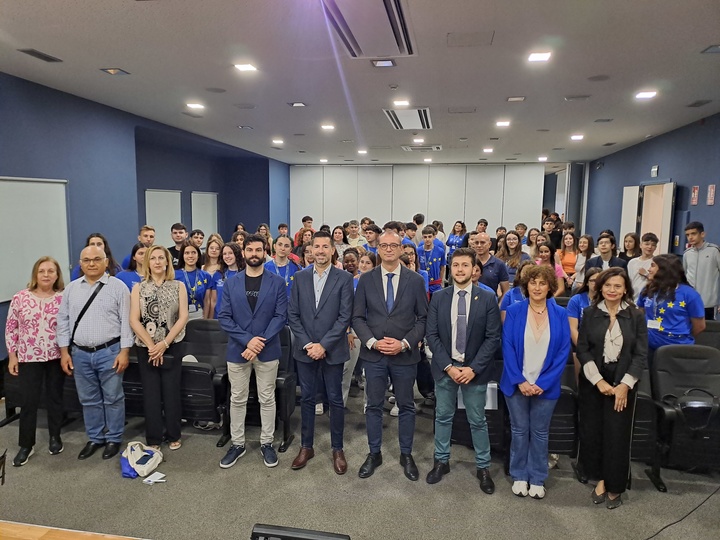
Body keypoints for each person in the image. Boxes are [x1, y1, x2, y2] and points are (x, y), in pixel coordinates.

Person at [352, 231, 428, 481]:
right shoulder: (366, 279)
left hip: (404, 355)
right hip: (374, 355)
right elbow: (358, 317)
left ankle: (406, 453)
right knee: (373, 405)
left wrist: (405, 343)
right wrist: (372, 342)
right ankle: (374, 453)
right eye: (383, 245)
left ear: (401, 249)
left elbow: (423, 318)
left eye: (392, 245)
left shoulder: (415, 280)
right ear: (378, 250)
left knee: (406, 405)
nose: (387, 249)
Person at [425, 248, 502, 492]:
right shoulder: (439, 297)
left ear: (474, 269)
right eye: (455, 265)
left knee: (477, 420)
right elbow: (432, 334)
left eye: (465, 266)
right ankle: (441, 461)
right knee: (443, 417)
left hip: (475, 371)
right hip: (445, 369)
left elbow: (492, 338)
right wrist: (448, 366)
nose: (460, 270)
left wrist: (473, 368)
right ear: (451, 268)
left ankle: (483, 466)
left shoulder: (487, 298)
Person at [576, 268, 647, 509]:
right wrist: (598, 381)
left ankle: (614, 484)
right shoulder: (590, 313)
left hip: (624, 380)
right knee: (594, 432)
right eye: (608, 286)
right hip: (594, 380)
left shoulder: (636, 316)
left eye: (617, 286)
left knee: (617, 435)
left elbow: (640, 354)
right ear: (600, 288)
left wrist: (624, 386)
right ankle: (600, 478)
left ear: (625, 288)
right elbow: (583, 349)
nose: (612, 290)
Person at [500, 264, 571, 499]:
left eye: (542, 283)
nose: (537, 287)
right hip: (516, 384)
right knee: (519, 431)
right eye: (533, 282)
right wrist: (520, 381)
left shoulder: (560, 313)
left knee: (540, 433)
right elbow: (507, 347)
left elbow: (563, 351)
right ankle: (519, 474)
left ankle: (538, 477)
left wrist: (544, 382)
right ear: (526, 285)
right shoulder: (514, 310)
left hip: (545, 386)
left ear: (550, 286)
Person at [217, 234, 287, 469]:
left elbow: (280, 316)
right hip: (238, 350)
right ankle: (238, 444)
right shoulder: (231, 283)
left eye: (259, 250)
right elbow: (224, 318)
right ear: (244, 253)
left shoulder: (277, 282)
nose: (254, 254)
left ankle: (267, 442)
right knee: (237, 398)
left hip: (268, 350)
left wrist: (260, 342)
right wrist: (248, 341)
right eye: (250, 250)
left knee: (267, 398)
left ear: (265, 252)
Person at [287, 231, 354, 474]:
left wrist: (323, 345)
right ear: (311, 249)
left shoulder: (344, 278)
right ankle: (307, 446)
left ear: (333, 250)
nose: (321, 251)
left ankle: (338, 448)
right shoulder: (299, 277)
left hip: (333, 350)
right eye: (317, 246)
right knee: (306, 399)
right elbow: (293, 314)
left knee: (335, 400)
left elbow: (344, 316)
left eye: (326, 246)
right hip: (305, 351)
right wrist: (308, 344)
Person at [58, 245, 133, 460]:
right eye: (86, 260)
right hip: (79, 354)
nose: (91, 263)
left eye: (96, 259)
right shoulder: (71, 289)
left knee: (113, 398)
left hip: (110, 352)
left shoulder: (118, 287)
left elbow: (126, 323)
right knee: (88, 399)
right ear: (80, 263)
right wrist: (64, 352)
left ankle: (114, 438)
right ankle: (95, 437)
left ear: (106, 261)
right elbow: (62, 322)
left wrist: (125, 351)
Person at [5, 257, 65, 466]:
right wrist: (12, 355)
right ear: (35, 274)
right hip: (29, 357)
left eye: (51, 271)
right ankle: (26, 445)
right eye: (42, 271)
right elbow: (11, 328)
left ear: (57, 275)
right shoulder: (20, 298)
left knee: (55, 399)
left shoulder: (62, 298)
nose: (46, 275)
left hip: (56, 357)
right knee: (29, 402)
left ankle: (55, 437)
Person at [129, 246, 189, 451]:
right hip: (146, 347)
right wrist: (152, 346)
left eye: (160, 258)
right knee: (151, 393)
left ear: (167, 262)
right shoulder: (138, 288)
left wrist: (164, 344)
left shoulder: (178, 286)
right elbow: (134, 320)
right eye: (152, 258)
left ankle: (174, 434)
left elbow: (183, 317)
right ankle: (153, 438)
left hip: (172, 345)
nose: (156, 261)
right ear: (148, 263)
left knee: (171, 391)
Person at [638, 254, 706, 356]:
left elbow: (699, 326)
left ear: (664, 270)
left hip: (677, 349)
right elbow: (640, 314)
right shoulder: (648, 289)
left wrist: (678, 335)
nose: (649, 270)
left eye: (653, 266)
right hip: (648, 346)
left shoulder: (689, 294)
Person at [567, 268, 601, 378]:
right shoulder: (576, 300)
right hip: (580, 345)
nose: (596, 284)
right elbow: (573, 328)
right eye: (593, 281)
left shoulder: (607, 299)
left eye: (599, 280)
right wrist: (583, 348)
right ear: (587, 282)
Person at [683, 221, 720, 320]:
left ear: (702, 234)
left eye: (693, 234)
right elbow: (684, 277)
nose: (690, 237)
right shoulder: (687, 254)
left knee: (707, 332)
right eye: (688, 235)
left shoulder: (714, 251)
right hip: (689, 302)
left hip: (708, 303)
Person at [174, 243, 212, 319]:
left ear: (198, 255)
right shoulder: (174, 275)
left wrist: (205, 319)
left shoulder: (206, 276)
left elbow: (207, 300)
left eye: (193, 253)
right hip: (179, 316)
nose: (190, 256)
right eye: (187, 253)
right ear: (182, 256)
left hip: (199, 315)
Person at [470, 232, 510, 299]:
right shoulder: (468, 263)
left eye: (482, 242)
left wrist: (498, 306)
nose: (479, 245)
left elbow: (506, 291)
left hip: (490, 303)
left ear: (489, 244)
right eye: (476, 243)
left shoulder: (499, 264)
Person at [210, 242, 244, 319]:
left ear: (237, 254)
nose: (227, 256)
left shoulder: (245, 274)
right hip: (219, 317)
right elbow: (213, 300)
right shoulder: (217, 275)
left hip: (239, 318)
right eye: (224, 254)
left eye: (230, 253)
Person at [265, 235, 302, 301]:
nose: (283, 248)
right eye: (280, 244)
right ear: (274, 246)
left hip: (291, 307)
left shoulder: (297, 268)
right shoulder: (265, 268)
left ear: (291, 249)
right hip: (270, 307)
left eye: (286, 246)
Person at [627, 232, 658, 302]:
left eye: (653, 245)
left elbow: (660, 281)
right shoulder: (632, 262)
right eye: (647, 244)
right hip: (632, 298)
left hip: (649, 298)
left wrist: (646, 274)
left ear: (655, 247)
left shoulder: (657, 262)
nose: (649, 247)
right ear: (641, 245)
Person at [417, 226, 447, 295]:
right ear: (422, 238)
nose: (427, 239)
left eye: (429, 237)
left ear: (434, 237)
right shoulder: (418, 251)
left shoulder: (440, 251)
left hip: (435, 285)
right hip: (422, 284)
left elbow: (442, 267)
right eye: (425, 237)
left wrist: (440, 281)